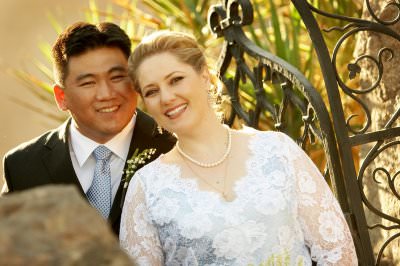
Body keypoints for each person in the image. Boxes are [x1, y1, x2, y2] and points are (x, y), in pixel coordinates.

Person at [119, 30, 358, 265]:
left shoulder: (277, 151)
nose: (167, 97)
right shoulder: (146, 187)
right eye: (152, 91)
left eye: (176, 80)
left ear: (204, 76)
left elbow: (337, 251)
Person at [1, 22, 176, 236]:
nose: (106, 93)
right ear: (61, 97)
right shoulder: (23, 167)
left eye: (117, 77)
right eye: (88, 83)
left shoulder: (174, 148)